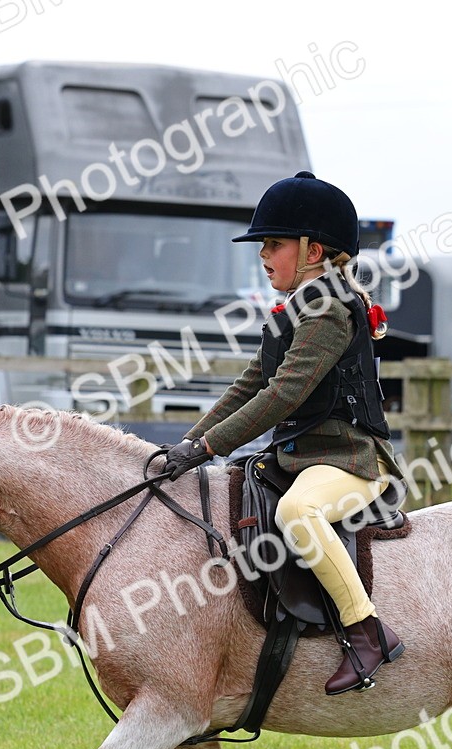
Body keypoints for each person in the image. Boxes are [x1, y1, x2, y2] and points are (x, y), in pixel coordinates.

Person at [165, 171, 405, 695]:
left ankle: (367, 631)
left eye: (274, 244)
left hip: (352, 462)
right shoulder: (294, 309)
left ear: (313, 250)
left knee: (299, 513)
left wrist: (208, 447)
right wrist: (188, 444)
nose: (264, 254)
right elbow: (250, 383)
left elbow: (282, 397)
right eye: (264, 245)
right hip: (301, 458)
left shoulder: (329, 309)